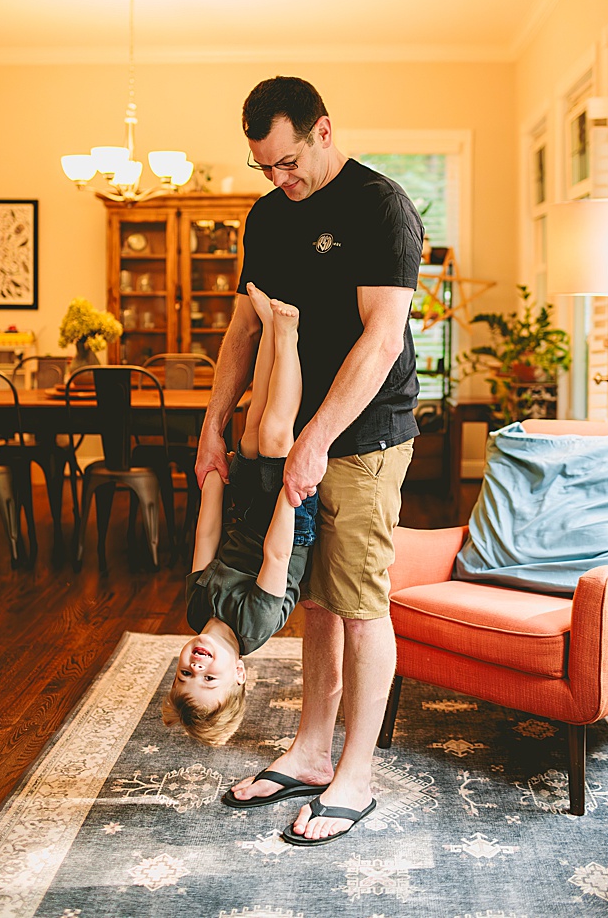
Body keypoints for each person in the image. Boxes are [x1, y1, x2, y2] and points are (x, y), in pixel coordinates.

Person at [193, 76, 422, 846]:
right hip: (287, 435)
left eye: (287, 161)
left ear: (323, 130)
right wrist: (214, 420)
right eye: (265, 167)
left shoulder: (379, 207)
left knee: (357, 601)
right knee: (312, 598)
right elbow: (241, 329)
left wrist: (316, 441)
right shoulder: (266, 215)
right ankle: (312, 751)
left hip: (362, 437)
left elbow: (381, 338)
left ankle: (356, 771)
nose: (278, 180)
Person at [164, 284, 318, 747]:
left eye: (184, 675)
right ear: (240, 673)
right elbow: (275, 558)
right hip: (287, 525)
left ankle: (270, 329)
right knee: (274, 434)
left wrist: (213, 479)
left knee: (251, 426)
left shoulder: (196, 608)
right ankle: (289, 335)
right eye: (209, 680)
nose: (197, 667)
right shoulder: (254, 627)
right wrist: (289, 496)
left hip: (245, 513)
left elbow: (206, 539)